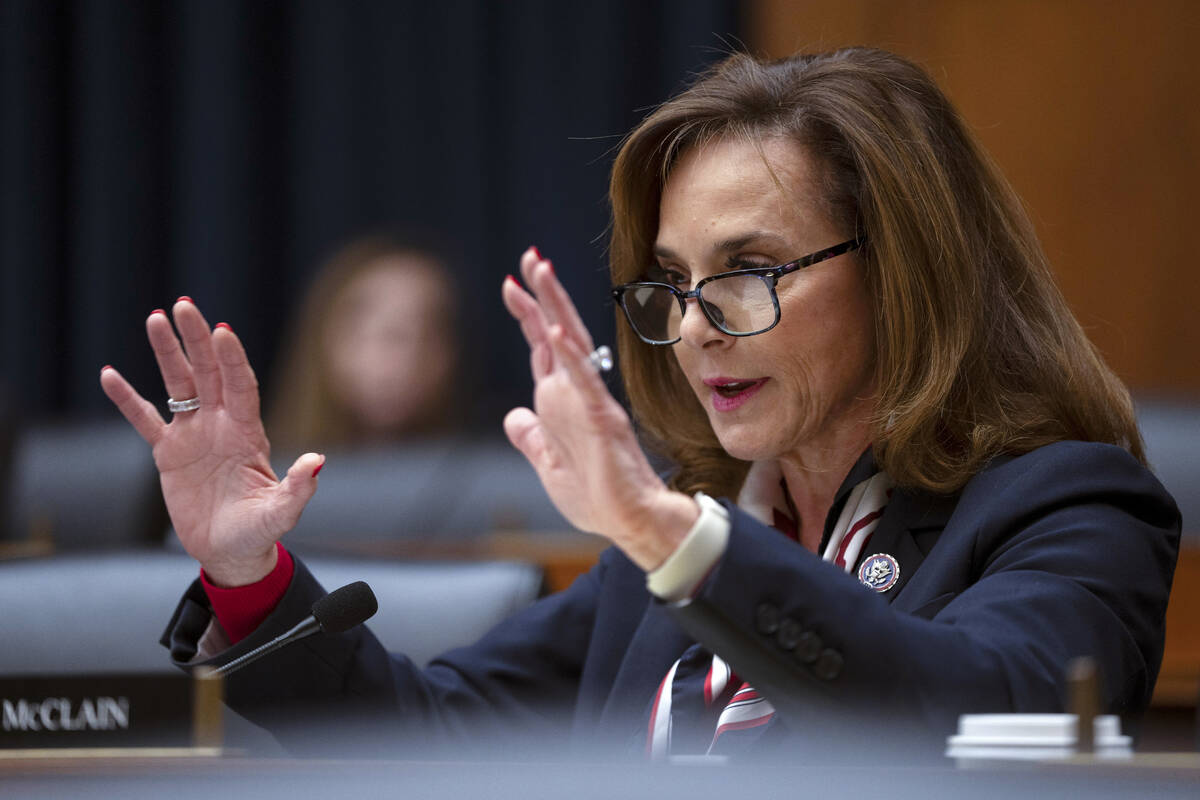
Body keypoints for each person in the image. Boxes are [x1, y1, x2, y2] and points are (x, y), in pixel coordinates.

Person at [100, 48, 1179, 760]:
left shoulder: (1070, 510)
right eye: (673, 280)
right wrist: (250, 572)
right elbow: (425, 736)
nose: (698, 323)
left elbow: (978, 713)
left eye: (749, 269)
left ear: (904, 271)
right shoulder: (680, 542)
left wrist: (674, 538)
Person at [268, 234, 460, 456]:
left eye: (429, 331)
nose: (404, 357)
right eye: (381, 331)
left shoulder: (494, 469)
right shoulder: (262, 474)